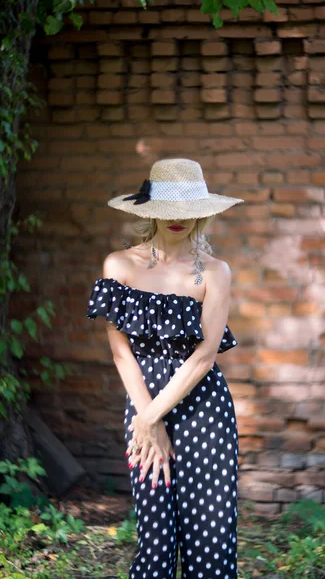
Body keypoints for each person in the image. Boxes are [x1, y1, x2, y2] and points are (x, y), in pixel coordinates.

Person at [86, 158, 245, 579]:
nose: (179, 222)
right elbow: (122, 354)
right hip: (142, 403)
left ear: (204, 212)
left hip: (202, 409)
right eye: (169, 211)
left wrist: (151, 418)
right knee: (155, 537)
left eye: (189, 212)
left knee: (210, 537)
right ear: (150, 209)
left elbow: (205, 356)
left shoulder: (215, 272)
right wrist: (147, 419)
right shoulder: (118, 266)